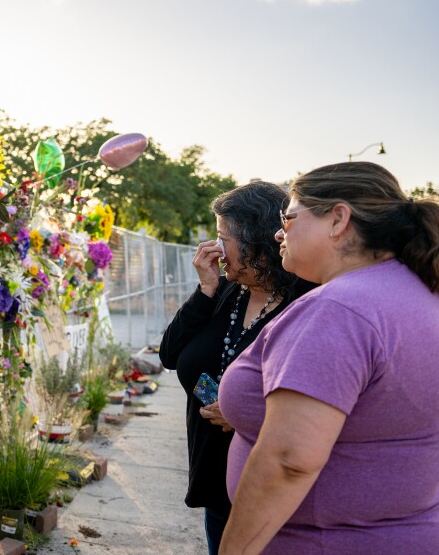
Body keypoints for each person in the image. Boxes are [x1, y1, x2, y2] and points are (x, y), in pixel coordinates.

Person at [218, 162, 439, 554]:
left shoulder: (338, 309)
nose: (278, 231)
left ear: (338, 219)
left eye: (289, 218)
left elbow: (289, 461)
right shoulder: (417, 293)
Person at [159, 181, 313, 554]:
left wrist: (245, 412)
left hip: (269, 486)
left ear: (256, 242)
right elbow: (168, 355)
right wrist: (205, 288)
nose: (214, 249)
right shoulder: (227, 291)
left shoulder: (305, 301)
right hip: (214, 477)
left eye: (222, 237)